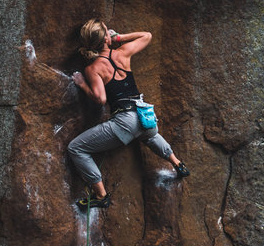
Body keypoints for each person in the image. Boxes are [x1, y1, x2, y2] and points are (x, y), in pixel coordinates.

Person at [68, 18, 189, 209]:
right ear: (107, 39)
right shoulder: (122, 53)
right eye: (107, 32)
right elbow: (146, 36)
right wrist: (119, 38)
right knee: (150, 135)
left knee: (76, 148)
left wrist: (82, 84)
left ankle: (101, 195)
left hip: (125, 121)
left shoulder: (93, 68)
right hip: (145, 114)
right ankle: (177, 163)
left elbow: (100, 99)